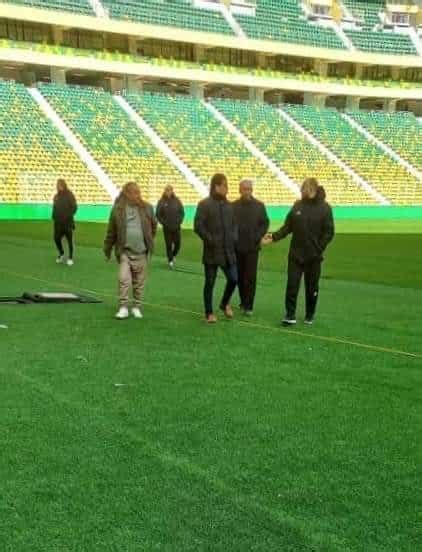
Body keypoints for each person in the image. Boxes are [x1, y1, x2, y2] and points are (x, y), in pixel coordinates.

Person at [262, 179, 334, 326]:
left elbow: (329, 232)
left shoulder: (325, 208)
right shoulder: (297, 206)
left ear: (311, 189)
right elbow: (287, 227)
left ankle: (309, 314)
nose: (301, 191)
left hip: (314, 257)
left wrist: (319, 248)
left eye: (303, 189)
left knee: (312, 287)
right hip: (296, 255)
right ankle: (290, 315)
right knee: (292, 285)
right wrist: (273, 237)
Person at [104, 182, 157, 320]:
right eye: (134, 192)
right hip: (125, 252)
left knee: (139, 283)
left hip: (142, 252)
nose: (137, 195)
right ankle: (123, 307)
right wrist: (107, 249)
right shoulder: (118, 210)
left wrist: (149, 240)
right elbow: (111, 231)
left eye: (138, 192)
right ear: (127, 194)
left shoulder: (148, 208)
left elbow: (154, 226)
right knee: (123, 279)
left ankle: (137, 307)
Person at [194, 173, 238, 323]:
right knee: (210, 282)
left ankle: (224, 303)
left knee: (233, 279)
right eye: (225, 185)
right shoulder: (204, 204)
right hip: (212, 251)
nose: (227, 188)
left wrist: (234, 237)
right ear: (216, 186)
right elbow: (198, 226)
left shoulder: (229, 206)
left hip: (228, 251)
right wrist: (210, 240)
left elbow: (234, 225)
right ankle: (209, 313)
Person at [232, 179, 269, 316]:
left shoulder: (259, 206)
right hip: (237, 248)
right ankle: (243, 301)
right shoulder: (233, 206)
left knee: (251, 277)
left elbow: (265, 223)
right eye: (245, 189)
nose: (247, 191)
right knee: (240, 277)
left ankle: (249, 305)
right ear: (240, 190)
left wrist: (257, 236)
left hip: (252, 248)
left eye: (249, 189)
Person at [156, 185, 184, 268]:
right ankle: (170, 260)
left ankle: (173, 255)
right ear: (164, 191)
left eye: (170, 190)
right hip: (167, 228)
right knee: (168, 244)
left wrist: (179, 221)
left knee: (178, 244)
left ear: (172, 191)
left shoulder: (177, 200)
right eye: (167, 190)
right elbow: (158, 214)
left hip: (176, 226)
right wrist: (163, 223)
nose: (168, 192)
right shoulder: (161, 201)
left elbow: (181, 212)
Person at [52, 178, 77, 266]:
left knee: (69, 240)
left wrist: (69, 216)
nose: (58, 186)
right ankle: (61, 253)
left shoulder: (70, 195)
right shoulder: (56, 196)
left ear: (63, 185)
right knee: (56, 238)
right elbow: (54, 207)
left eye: (60, 185)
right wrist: (54, 217)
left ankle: (70, 258)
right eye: (57, 185)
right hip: (58, 223)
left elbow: (74, 207)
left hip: (68, 222)